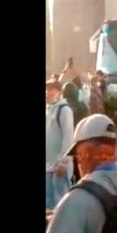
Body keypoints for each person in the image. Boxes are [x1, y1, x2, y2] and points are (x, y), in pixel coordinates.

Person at [46, 79, 74, 210]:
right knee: (49, 204)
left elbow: (68, 138)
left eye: (51, 90)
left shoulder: (64, 110)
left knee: (61, 203)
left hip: (59, 167)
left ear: (59, 92)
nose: (47, 93)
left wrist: (63, 163)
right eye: (46, 89)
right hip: (47, 166)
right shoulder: (48, 109)